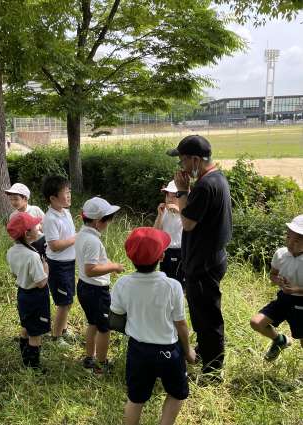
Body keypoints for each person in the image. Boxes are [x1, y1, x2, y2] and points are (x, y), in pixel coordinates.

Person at [110, 227, 195, 425]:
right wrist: (188, 350)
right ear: (162, 256)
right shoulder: (173, 286)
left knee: (135, 399)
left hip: (138, 350)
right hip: (169, 351)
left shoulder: (122, 284)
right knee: (177, 394)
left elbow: (115, 318)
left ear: (130, 256)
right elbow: (181, 324)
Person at [167, 135, 232, 376]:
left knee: (207, 317)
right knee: (202, 313)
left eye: (183, 160)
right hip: (211, 257)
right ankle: (205, 351)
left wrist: (182, 192)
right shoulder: (216, 178)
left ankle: (212, 369)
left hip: (204, 262)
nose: (181, 167)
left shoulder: (204, 186)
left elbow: (188, 223)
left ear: (195, 160)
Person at [75, 197, 124, 373]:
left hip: (84, 287)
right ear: (97, 222)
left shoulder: (82, 234)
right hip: (96, 291)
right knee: (104, 328)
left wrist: (108, 263)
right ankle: (101, 364)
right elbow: (91, 269)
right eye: (108, 219)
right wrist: (114, 267)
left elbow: (95, 262)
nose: (109, 223)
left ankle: (90, 357)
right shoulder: (93, 241)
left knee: (93, 324)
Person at [250, 214, 303, 361]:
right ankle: (280, 340)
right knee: (256, 323)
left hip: (301, 304)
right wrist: (278, 281)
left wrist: (296, 290)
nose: (290, 243)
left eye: (297, 240)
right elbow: (273, 274)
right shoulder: (280, 254)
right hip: (284, 299)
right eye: (288, 237)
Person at [6, 212, 50, 369]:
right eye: (35, 226)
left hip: (22, 294)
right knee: (35, 333)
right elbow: (41, 283)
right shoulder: (32, 256)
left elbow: (14, 274)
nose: (38, 227)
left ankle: (25, 360)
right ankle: (34, 367)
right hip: (36, 297)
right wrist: (46, 268)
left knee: (26, 326)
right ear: (27, 233)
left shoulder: (11, 252)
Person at [42, 175, 76, 346]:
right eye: (65, 193)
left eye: (69, 191)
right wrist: (76, 238)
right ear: (53, 198)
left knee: (68, 300)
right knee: (63, 302)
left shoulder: (66, 212)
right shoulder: (50, 219)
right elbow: (54, 245)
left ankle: (63, 329)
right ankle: (56, 337)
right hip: (58, 266)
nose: (69, 195)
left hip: (69, 263)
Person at [154, 180, 184, 286]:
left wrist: (180, 211)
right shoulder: (164, 211)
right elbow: (156, 232)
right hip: (166, 251)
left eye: (174, 196)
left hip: (182, 251)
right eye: (168, 195)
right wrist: (159, 215)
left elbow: (192, 230)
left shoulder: (186, 212)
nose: (170, 199)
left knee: (180, 283)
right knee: (165, 281)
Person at [5, 183, 46, 258]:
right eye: (11, 199)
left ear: (25, 199)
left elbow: (47, 225)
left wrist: (39, 227)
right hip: (25, 246)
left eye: (16, 199)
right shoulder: (13, 216)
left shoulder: (35, 210)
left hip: (40, 241)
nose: (13, 202)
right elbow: (14, 234)